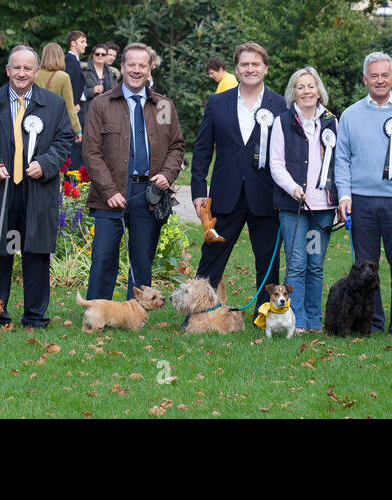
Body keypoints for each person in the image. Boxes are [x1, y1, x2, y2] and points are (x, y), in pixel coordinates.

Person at [0, 45, 74, 329]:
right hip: (0, 188)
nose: (22, 73)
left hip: (37, 188)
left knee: (36, 252)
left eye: (28, 68)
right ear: (8, 71)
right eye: (17, 68)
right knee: (0, 251)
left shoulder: (54, 104)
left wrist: (46, 164)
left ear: (37, 71)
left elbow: (65, 140)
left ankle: (35, 316)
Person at [333, 52, 392, 334]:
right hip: (361, 201)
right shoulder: (350, 115)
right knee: (364, 269)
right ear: (365, 79)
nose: (380, 80)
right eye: (374, 76)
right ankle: (371, 321)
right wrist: (344, 196)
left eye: (385, 75)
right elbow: (342, 160)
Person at [190, 42, 287, 314]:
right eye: (245, 64)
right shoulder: (217, 102)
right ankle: (197, 313)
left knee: (268, 262)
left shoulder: (279, 104)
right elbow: (201, 149)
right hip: (224, 196)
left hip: (266, 197)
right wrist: (198, 189)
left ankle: (266, 317)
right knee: (211, 259)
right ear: (236, 68)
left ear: (265, 68)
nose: (250, 69)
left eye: (256, 64)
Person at [83, 42, 185, 301]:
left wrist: (167, 174)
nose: (137, 70)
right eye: (132, 65)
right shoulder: (102, 104)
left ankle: (137, 312)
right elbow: (91, 152)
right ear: (122, 67)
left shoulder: (163, 106)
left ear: (150, 69)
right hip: (110, 193)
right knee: (104, 256)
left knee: (142, 259)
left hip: (148, 193)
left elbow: (176, 146)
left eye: (143, 65)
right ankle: (96, 309)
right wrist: (109, 190)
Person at [268, 66, 339, 332]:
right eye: (301, 87)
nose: (307, 91)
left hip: (322, 208)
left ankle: (313, 320)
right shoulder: (282, 121)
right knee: (296, 264)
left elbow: (339, 163)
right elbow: (276, 164)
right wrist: (293, 187)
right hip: (293, 206)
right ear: (293, 93)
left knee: (315, 265)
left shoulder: (332, 120)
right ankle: (293, 321)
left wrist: (342, 198)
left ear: (319, 90)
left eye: (311, 86)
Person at [37, 42, 82, 140]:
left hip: (35, 121)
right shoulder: (63, 77)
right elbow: (69, 107)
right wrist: (77, 129)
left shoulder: (35, 74)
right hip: (54, 124)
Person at [65, 30, 87, 129]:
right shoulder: (70, 59)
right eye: (82, 42)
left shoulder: (75, 60)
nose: (86, 45)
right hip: (74, 108)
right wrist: (73, 104)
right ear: (73, 43)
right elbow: (67, 83)